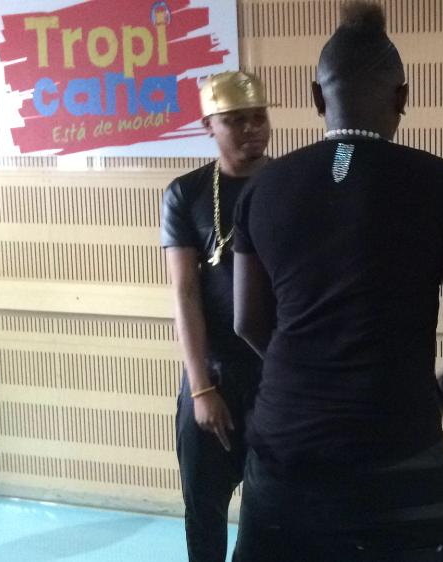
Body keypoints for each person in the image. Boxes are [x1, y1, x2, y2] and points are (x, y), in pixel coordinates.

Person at [229, 2, 443, 561]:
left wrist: (308, 374)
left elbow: (247, 321)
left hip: (284, 453)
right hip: (398, 445)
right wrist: (439, 395)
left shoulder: (263, 188)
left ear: (316, 97)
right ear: (402, 97)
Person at [160, 70, 272, 562]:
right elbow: (185, 293)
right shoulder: (185, 194)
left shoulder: (292, 184)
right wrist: (201, 389)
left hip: (276, 376)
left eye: (258, 117)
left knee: (273, 513)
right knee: (203, 510)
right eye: (235, 120)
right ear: (209, 124)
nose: (251, 129)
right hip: (213, 375)